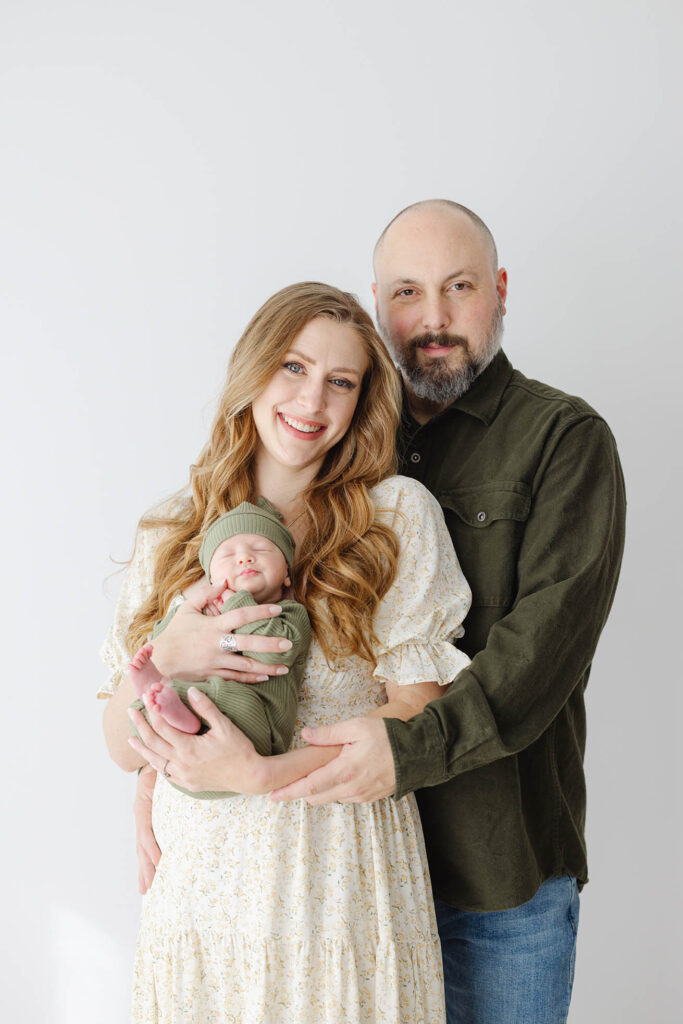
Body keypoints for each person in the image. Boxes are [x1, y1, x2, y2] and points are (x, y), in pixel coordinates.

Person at [266, 200, 626, 1024]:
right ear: (375, 304)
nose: (432, 319)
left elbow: (543, 651)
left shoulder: (563, 438)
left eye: (458, 287)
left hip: (496, 879)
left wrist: (406, 748)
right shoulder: (333, 435)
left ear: (498, 291)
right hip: (343, 872)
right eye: (406, 292)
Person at [99, 281, 473, 1023]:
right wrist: (167, 655)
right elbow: (119, 746)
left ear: (362, 400)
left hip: (337, 885)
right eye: (294, 369)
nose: (312, 402)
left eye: (341, 381)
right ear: (254, 372)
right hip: (203, 893)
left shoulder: (394, 515)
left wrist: (260, 772)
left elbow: (414, 715)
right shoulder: (170, 529)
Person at [128, 497, 311, 799]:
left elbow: (275, 651)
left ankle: (176, 701)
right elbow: (167, 637)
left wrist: (237, 602)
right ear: (211, 579)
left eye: (261, 549)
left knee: (230, 694)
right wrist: (163, 647)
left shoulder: (289, 613)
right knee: (141, 711)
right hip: (188, 763)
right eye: (228, 554)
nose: (245, 558)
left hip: (257, 733)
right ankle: (171, 701)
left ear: (287, 573)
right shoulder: (196, 610)